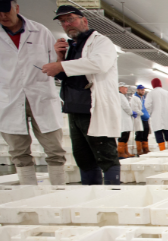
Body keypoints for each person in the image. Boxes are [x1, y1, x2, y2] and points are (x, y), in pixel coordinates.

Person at [0, 0, 66, 186]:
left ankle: (59, 193)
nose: (1, 16)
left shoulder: (40, 31)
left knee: (55, 149)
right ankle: (28, 193)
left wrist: (60, 58)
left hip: (41, 96)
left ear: (17, 8)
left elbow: (53, 61)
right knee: (18, 151)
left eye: (5, 11)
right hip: (9, 98)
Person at [41, 5, 120, 185]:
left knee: (105, 155)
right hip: (74, 110)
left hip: (93, 108)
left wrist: (60, 66)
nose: (67, 24)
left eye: (71, 19)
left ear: (84, 20)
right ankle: (91, 196)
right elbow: (67, 74)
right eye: (63, 22)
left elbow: (98, 64)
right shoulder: (71, 47)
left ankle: (113, 197)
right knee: (83, 157)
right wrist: (60, 58)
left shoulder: (101, 42)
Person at [144, 77, 168, 150]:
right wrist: (167, 107)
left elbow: (147, 105)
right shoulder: (167, 93)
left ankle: (162, 153)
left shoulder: (151, 93)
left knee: (159, 136)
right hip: (166, 118)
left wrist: (151, 111)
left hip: (156, 118)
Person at [116, 85, 134, 158]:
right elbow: (126, 107)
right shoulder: (120, 96)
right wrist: (132, 112)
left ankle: (125, 152)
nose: (127, 89)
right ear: (121, 88)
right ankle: (121, 153)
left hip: (124, 119)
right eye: (125, 87)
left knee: (125, 137)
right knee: (123, 137)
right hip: (124, 120)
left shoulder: (121, 96)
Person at [134, 84, 150, 154]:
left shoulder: (143, 99)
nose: (143, 91)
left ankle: (145, 150)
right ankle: (139, 151)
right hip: (140, 119)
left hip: (145, 119)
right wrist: (142, 114)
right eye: (141, 90)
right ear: (137, 90)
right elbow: (135, 109)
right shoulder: (135, 98)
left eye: (143, 90)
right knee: (139, 135)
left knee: (145, 134)